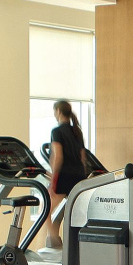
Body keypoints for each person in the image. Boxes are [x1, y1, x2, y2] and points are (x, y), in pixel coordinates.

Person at [45, 100, 87, 247]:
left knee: (45, 211)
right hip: (79, 177)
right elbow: (83, 158)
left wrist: (53, 180)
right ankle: (72, 245)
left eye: (54, 111)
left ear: (58, 111)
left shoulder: (56, 132)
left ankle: (55, 241)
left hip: (64, 176)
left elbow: (58, 157)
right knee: (75, 213)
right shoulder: (77, 132)